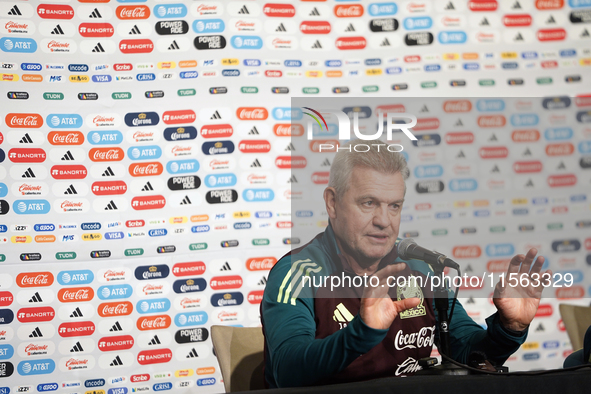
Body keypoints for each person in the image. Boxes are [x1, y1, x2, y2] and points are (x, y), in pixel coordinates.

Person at [260, 139, 549, 388]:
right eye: (368, 203)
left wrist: (508, 328)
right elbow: (288, 371)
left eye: (394, 205)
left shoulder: (420, 268)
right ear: (332, 203)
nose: (384, 221)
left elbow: (464, 352)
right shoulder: (297, 273)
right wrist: (362, 333)